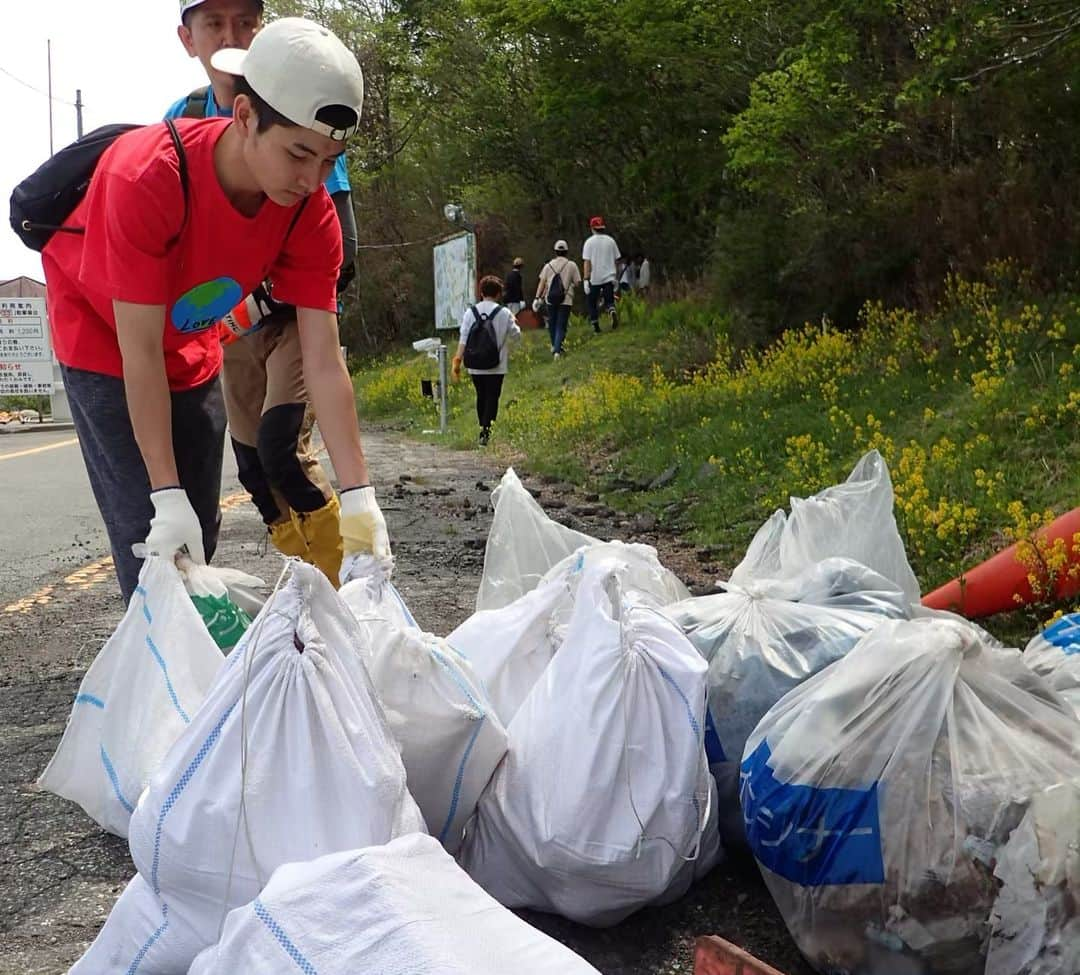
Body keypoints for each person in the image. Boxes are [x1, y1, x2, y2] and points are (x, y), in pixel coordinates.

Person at [40, 17, 390, 602]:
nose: (312, 180)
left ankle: (200, 662)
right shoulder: (148, 176)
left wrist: (359, 498)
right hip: (106, 340)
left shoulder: (308, 212)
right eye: (300, 153)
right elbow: (139, 352)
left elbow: (324, 363)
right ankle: (159, 674)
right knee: (153, 536)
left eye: (330, 160)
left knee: (198, 531)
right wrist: (161, 491)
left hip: (189, 336)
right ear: (246, 115)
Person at [165, 0, 359, 586]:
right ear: (188, 38)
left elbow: (338, 252)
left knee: (282, 451)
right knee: (252, 470)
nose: (233, 38)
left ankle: (341, 576)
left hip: (295, 319)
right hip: (228, 331)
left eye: (246, 22)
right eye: (214, 25)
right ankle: (302, 577)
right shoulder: (183, 118)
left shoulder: (302, 116)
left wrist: (252, 299)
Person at [451, 276, 521, 446]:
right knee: (492, 396)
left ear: (481, 293)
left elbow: (464, 338)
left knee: (481, 396)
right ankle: (486, 431)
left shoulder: (470, 312)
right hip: (497, 365)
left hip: (475, 364)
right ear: (499, 294)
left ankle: (482, 426)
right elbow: (516, 335)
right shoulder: (504, 313)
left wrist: (457, 361)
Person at [534, 239, 581, 359]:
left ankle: (555, 346)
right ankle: (557, 351)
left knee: (552, 323)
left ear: (555, 251)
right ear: (566, 251)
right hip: (566, 299)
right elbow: (577, 283)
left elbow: (542, 283)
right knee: (561, 325)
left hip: (550, 299)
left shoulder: (548, 265)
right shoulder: (571, 265)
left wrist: (537, 297)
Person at [582, 215, 620, 333]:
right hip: (609, 276)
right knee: (609, 300)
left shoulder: (589, 242)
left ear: (592, 228)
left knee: (592, 301)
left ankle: (595, 325)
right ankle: (611, 310)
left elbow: (587, 262)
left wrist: (586, 279)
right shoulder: (611, 241)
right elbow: (616, 260)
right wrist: (616, 276)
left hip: (595, 278)